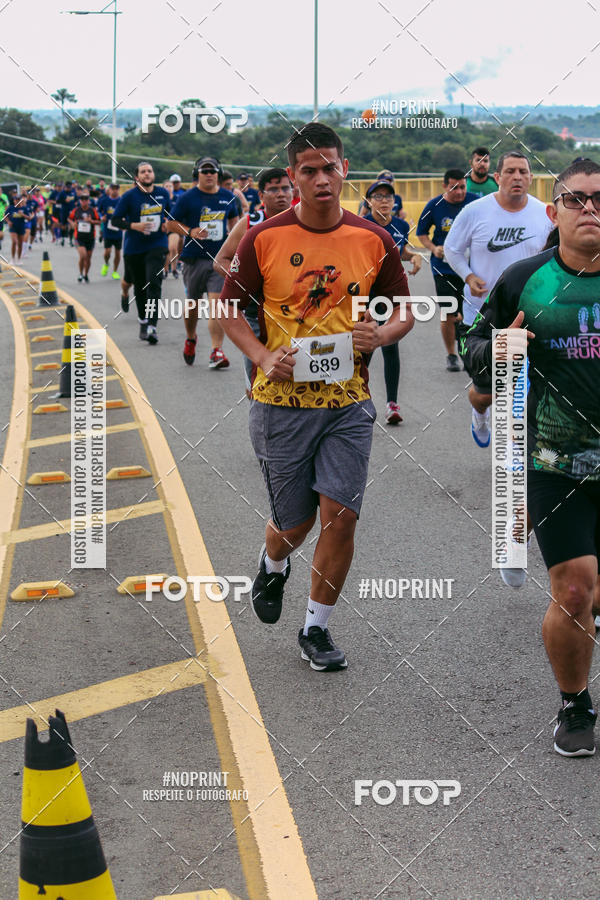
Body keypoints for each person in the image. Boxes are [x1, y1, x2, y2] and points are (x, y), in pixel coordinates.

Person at [219, 122, 414, 671]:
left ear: (344, 170)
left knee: (341, 516)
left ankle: (316, 629)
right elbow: (228, 309)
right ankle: (272, 563)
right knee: (294, 524)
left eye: (331, 167)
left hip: (348, 402)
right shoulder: (265, 238)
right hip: (280, 403)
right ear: (293, 177)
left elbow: (403, 311)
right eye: (309, 170)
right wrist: (262, 357)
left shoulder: (373, 240)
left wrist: (382, 333)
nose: (322, 178)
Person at [462, 158, 600, 756]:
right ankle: (575, 705)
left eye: (599, 199)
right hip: (552, 462)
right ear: (555, 211)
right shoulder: (523, 279)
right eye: (577, 200)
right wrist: (501, 348)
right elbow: (475, 361)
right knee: (573, 592)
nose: (590, 209)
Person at [444, 150, 552, 448]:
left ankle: (525, 454)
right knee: (487, 392)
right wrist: (468, 275)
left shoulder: (544, 214)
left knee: (530, 387)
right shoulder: (475, 211)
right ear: (497, 177)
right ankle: (480, 413)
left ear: (531, 178)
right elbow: (452, 249)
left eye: (523, 172)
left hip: (532, 317)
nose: (517, 177)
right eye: (510, 171)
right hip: (482, 317)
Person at [214, 167, 293, 396]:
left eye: (285, 188)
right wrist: (248, 283)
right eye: (274, 189)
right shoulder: (251, 222)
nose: (281, 194)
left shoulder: (304, 221)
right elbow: (220, 261)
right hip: (256, 315)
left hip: (298, 316)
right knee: (259, 385)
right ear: (261, 196)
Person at [167, 156, 239, 367]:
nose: (209, 175)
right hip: (193, 260)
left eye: (213, 171)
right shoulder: (188, 198)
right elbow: (170, 225)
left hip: (218, 260)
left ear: (218, 174)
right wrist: (190, 231)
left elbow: (235, 223)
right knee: (193, 306)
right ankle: (191, 337)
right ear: (197, 174)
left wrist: (235, 246)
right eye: (204, 171)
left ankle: (217, 351)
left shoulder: (228, 197)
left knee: (217, 305)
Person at [363, 178, 422, 424]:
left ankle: (392, 404)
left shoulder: (399, 224)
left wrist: (415, 256)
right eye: (378, 196)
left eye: (388, 197)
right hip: (366, 292)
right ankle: (359, 399)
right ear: (368, 201)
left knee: (390, 345)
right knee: (364, 345)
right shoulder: (361, 225)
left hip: (391, 292)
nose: (384, 201)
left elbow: (402, 251)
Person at [416, 169, 478, 371]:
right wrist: (433, 248)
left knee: (467, 313)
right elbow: (422, 233)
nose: (459, 192)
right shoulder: (434, 206)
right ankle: (452, 354)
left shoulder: (475, 202)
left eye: (462, 186)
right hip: (443, 268)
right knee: (449, 312)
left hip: (470, 268)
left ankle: (468, 349)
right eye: (454, 187)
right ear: (444, 186)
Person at [111, 161, 171, 345]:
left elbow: (171, 214)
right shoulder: (129, 197)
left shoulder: (162, 194)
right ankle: (143, 320)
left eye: (150, 171)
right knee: (140, 287)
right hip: (134, 248)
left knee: (154, 282)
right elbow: (115, 220)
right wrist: (133, 225)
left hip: (157, 244)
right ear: (137, 177)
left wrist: (167, 223)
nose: (147, 174)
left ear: (153, 175)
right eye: (143, 172)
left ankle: (153, 325)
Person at [69, 192, 101, 282]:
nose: (84, 201)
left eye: (86, 200)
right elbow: (69, 218)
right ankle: (80, 274)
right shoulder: (76, 210)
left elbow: (99, 222)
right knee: (83, 255)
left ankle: (86, 274)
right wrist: (72, 224)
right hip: (79, 237)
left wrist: (91, 221)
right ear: (80, 201)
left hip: (90, 237)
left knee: (88, 258)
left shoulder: (92, 210)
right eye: (82, 200)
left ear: (88, 201)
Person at [97, 183, 123, 280]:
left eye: (117, 189)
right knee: (107, 251)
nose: (115, 190)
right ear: (110, 190)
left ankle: (115, 271)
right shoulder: (104, 200)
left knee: (117, 253)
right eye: (113, 189)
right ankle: (106, 264)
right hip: (108, 229)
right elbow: (98, 211)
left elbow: (126, 212)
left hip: (118, 230)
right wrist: (101, 217)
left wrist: (124, 221)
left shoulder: (121, 201)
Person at [7, 193, 31, 263]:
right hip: (13, 227)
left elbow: (29, 218)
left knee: (20, 244)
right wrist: (8, 222)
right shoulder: (11, 208)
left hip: (21, 227)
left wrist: (23, 214)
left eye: (18, 199)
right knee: (14, 242)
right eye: (16, 199)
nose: (17, 201)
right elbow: (5, 216)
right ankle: (12, 259)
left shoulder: (24, 208)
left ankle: (19, 259)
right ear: (14, 200)